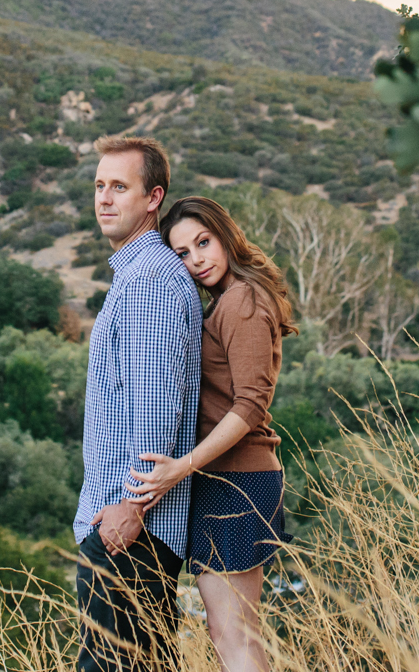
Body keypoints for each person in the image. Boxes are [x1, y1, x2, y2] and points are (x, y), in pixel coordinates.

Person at [126, 196, 297, 672]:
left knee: (233, 636)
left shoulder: (242, 299)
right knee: (228, 633)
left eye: (203, 242)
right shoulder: (230, 298)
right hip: (225, 483)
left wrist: (182, 466)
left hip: (237, 483)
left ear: (225, 235)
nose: (196, 259)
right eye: (182, 252)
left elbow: (249, 406)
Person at [73, 136, 203, 672]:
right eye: (100, 186)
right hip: (127, 526)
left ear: (153, 197)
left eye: (119, 187)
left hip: (129, 529)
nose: (104, 198)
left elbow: (157, 411)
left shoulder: (148, 281)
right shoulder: (136, 274)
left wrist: (130, 509)